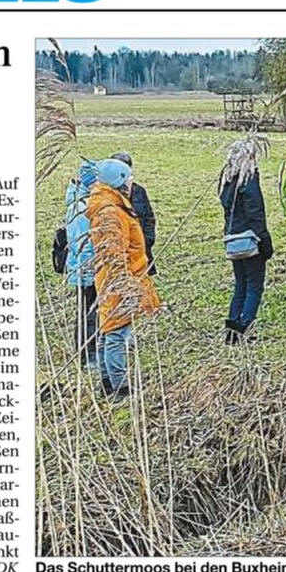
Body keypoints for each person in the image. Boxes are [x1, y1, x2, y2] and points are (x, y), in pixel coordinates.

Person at [88, 159, 161, 401]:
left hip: (117, 278)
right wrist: (125, 285)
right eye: (128, 176)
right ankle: (118, 389)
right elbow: (114, 254)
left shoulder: (112, 205)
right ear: (119, 180)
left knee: (107, 330)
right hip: (120, 281)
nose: (132, 180)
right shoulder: (111, 212)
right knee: (116, 334)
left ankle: (108, 383)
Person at [219, 137, 275, 345]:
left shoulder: (226, 181)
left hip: (232, 238)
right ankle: (245, 329)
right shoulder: (248, 180)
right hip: (250, 239)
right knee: (254, 287)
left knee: (240, 284)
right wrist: (265, 242)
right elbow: (256, 213)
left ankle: (232, 330)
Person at [62, 158, 99, 370]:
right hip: (86, 271)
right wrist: (88, 272)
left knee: (90, 312)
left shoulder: (82, 201)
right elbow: (82, 243)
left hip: (87, 269)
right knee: (88, 314)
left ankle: (90, 352)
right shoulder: (81, 208)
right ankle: (87, 355)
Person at [110, 151, 157, 276]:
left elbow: (149, 217)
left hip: (141, 252)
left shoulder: (139, 191)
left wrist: (147, 240)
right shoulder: (106, 195)